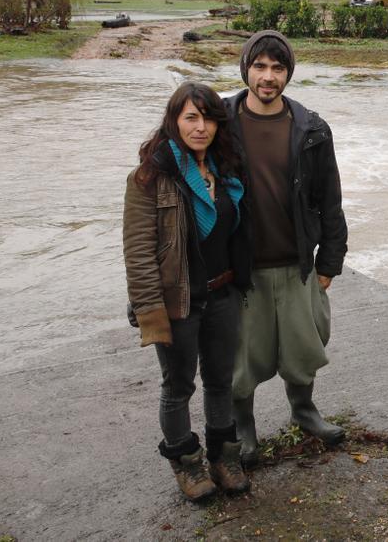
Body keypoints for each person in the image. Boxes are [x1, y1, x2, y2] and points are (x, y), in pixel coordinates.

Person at [122, 82, 253, 501]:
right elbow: (138, 253)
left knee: (219, 381)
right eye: (190, 117)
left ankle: (223, 457)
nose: (201, 127)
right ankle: (187, 463)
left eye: (209, 117)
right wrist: (149, 311)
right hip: (177, 301)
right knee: (178, 387)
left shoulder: (228, 171)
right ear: (174, 122)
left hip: (222, 295)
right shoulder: (149, 178)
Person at [226, 30, 349, 467]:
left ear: (288, 74)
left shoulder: (312, 129)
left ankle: (304, 411)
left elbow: (330, 201)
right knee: (242, 360)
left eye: (278, 68)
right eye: (259, 66)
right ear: (245, 69)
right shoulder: (219, 122)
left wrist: (328, 264)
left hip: (296, 265)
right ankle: (244, 428)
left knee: (303, 350)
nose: (268, 76)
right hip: (241, 270)